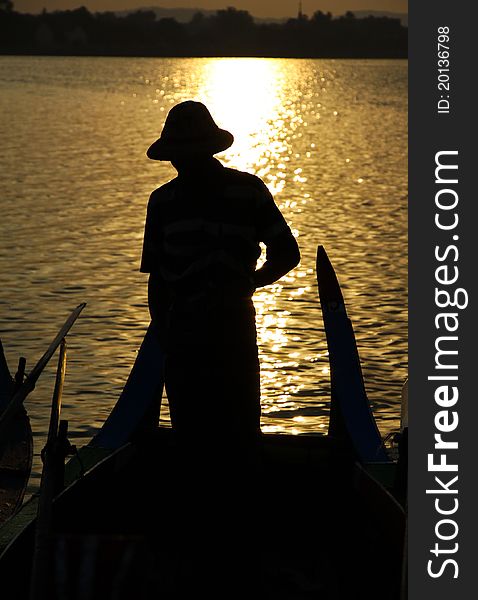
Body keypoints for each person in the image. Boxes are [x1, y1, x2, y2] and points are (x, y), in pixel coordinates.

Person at [140, 100, 300, 460]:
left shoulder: (246, 191)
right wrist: (165, 333)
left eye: (185, 153)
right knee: (207, 431)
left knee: (229, 430)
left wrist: (250, 284)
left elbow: (287, 253)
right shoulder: (163, 201)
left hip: (227, 326)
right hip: (190, 331)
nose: (180, 161)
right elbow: (157, 278)